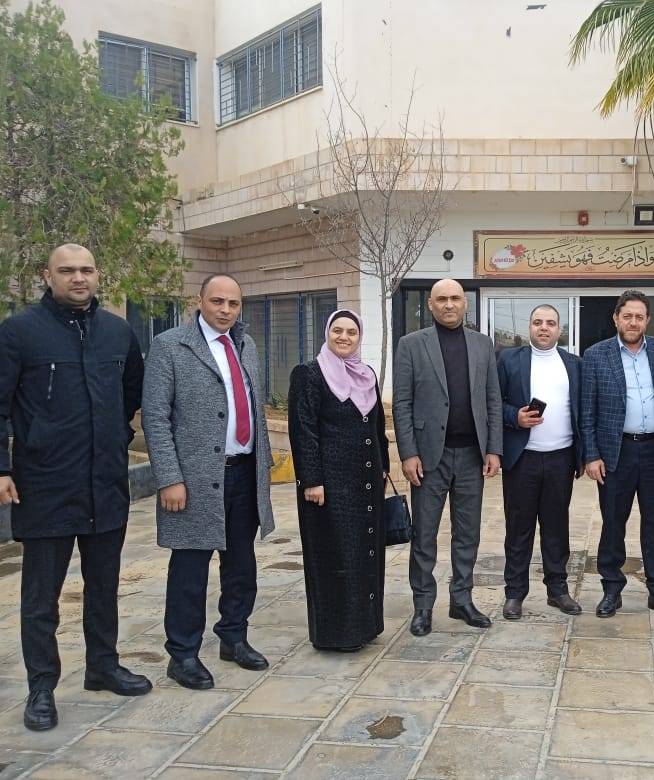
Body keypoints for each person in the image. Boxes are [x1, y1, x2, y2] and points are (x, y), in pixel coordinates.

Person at [0, 243, 151, 731]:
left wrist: (117, 436)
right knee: (41, 597)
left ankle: (102, 667)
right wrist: (2, 468)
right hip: (46, 484)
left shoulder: (118, 332)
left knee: (104, 586)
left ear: (97, 274)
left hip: (105, 484)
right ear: (48, 276)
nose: (78, 278)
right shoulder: (19, 332)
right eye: (67, 270)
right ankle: (41, 687)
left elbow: (132, 393)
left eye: (86, 269)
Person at [142, 273, 275, 690]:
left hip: (244, 473)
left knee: (241, 565)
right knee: (190, 570)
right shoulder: (170, 346)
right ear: (199, 301)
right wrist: (169, 478)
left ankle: (234, 637)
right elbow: (155, 418)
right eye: (217, 301)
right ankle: (182, 654)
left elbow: (250, 406)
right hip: (194, 479)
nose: (226, 310)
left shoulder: (245, 344)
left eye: (233, 303)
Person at [392, 278, 503, 637]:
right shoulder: (411, 344)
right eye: (442, 299)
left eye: (455, 298)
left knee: (467, 534)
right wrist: (408, 453)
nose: (449, 304)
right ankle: (423, 606)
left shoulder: (483, 344)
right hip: (428, 458)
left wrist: (493, 448)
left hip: (471, 455)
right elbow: (402, 403)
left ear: (465, 303)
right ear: (430, 304)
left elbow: (492, 399)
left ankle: (462, 600)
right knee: (424, 535)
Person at [288, 310, 390, 650]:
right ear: (327, 333)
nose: (344, 337)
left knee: (365, 553)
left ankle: (366, 627)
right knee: (335, 557)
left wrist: (384, 467)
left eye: (351, 332)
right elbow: (303, 431)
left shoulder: (367, 375)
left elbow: (377, 427)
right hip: (329, 486)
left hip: (366, 481)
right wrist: (311, 480)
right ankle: (337, 634)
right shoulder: (309, 374)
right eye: (337, 330)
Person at [581, 290, 654, 620]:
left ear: (647, 320)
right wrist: (591, 454)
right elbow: (587, 410)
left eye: (639, 317)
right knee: (612, 522)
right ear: (616, 319)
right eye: (627, 316)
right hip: (615, 452)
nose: (633, 322)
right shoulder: (596, 355)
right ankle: (611, 589)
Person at [497, 304, 583, 620]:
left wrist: (585, 455)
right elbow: (493, 402)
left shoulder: (574, 364)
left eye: (550, 323)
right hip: (523, 459)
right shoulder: (509, 360)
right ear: (529, 327)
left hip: (562, 458)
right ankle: (514, 593)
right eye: (537, 322)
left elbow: (583, 409)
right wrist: (515, 417)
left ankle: (557, 590)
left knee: (556, 528)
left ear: (559, 329)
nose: (543, 327)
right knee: (518, 529)